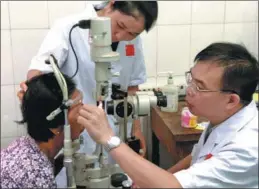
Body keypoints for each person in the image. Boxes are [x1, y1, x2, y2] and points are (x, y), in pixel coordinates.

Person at [77, 42, 259, 188]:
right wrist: (155, 179)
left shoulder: (246, 149)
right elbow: (198, 158)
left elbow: (174, 186)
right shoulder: (224, 119)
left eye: (199, 86)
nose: (189, 90)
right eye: (191, 80)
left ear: (231, 101)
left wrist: (109, 139)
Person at [17, 1, 158, 187]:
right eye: (120, 26)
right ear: (112, 4)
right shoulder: (69, 28)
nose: (121, 36)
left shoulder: (133, 40)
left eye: (132, 34)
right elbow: (40, 69)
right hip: (78, 131)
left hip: (116, 131)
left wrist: (136, 129)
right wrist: (34, 87)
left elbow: (131, 87)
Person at [1, 73, 84, 188]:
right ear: (55, 127)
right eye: (79, 108)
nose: (85, 112)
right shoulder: (36, 177)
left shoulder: (27, 146)